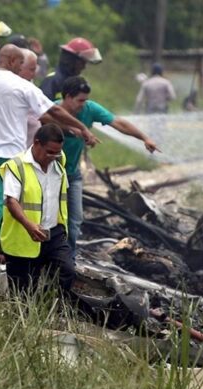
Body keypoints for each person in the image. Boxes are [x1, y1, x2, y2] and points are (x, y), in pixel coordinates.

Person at [0, 44, 97, 265]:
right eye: (21, 63)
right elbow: (53, 110)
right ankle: (25, 255)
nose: (21, 67)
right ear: (13, 61)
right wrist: (82, 126)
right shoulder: (21, 85)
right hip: (14, 158)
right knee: (22, 206)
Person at [58, 76, 159, 255]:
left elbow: (118, 123)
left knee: (75, 220)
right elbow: (41, 123)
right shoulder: (52, 109)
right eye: (80, 100)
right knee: (52, 220)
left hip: (72, 174)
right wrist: (74, 130)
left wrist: (144, 138)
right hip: (49, 174)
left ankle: (69, 259)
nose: (83, 104)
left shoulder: (89, 109)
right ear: (67, 97)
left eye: (86, 100)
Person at [0, 123, 75, 295]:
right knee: (23, 290)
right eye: (49, 151)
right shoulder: (16, 166)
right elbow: (11, 201)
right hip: (24, 236)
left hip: (54, 233)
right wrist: (29, 225)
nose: (53, 156)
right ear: (36, 143)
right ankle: (28, 318)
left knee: (67, 271)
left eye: (57, 152)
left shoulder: (59, 160)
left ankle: (53, 307)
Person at [18, 48, 41, 147]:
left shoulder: (30, 87)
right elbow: (48, 113)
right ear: (19, 67)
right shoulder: (20, 89)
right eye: (31, 69)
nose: (34, 74)